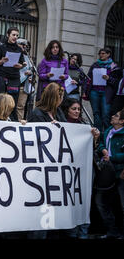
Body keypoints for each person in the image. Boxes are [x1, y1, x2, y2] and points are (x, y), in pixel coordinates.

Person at [60, 97, 101, 239]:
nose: (77, 111)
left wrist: (95, 138)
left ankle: (83, 233)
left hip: (86, 169)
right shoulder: (61, 125)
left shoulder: (85, 125)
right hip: (69, 171)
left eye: (78, 109)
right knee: (71, 201)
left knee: (84, 201)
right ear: (67, 110)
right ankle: (72, 232)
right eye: (74, 109)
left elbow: (92, 148)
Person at [94, 109, 124, 239]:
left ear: (122, 121)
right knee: (100, 202)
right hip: (106, 174)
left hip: (121, 174)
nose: (112, 116)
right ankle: (112, 231)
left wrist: (111, 157)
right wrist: (103, 149)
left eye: (116, 116)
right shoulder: (108, 131)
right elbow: (100, 144)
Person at [0, 27, 25, 121]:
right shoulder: (1, 48)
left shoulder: (19, 49)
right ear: (8, 35)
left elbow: (22, 63)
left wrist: (20, 66)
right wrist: (2, 60)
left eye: (17, 35)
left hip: (14, 78)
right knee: (1, 99)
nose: (15, 37)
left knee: (13, 101)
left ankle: (13, 120)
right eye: (13, 35)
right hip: (2, 76)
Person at [85, 47, 121, 132]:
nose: (101, 55)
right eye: (100, 54)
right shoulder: (95, 65)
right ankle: (97, 134)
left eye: (103, 53)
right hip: (94, 91)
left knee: (105, 114)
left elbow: (117, 82)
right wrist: (85, 91)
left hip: (106, 93)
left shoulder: (113, 66)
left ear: (108, 54)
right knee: (96, 114)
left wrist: (109, 78)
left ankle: (106, 134)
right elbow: (88, 78)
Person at [16, 38, 34, 120]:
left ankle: (19, 122)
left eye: (25, 45)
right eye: (22, 44)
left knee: (21, 106)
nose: (24, 47)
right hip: (14, 84)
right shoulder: (14, 55)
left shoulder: (28, 57)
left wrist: (30, 73)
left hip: (24, 86)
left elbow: (32, 70)